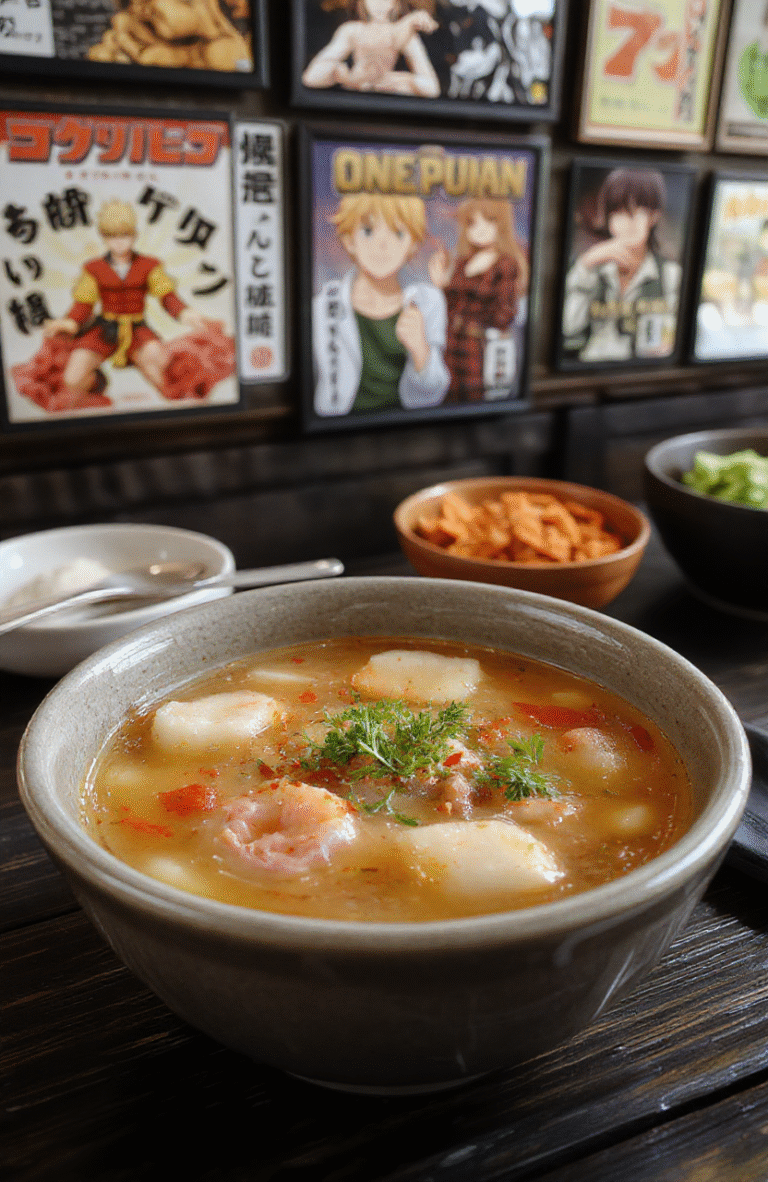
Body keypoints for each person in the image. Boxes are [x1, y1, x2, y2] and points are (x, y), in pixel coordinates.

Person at [42, 199, 210, 409]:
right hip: (104, 329)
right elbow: (83, 305)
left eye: (125, 235)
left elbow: (168, 298)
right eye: (113, 236)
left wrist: (185, 314)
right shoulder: (94, 268)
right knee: (72, 379)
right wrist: (70, 323)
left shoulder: (149, 265)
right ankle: (97, 385)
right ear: (104, 238)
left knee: (164, 371)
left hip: (137, 329)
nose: (119, 242)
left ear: (134, 235)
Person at [313, 192, 449, 417]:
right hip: (338, 430)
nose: (382, 246)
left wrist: (421, 350)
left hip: (408, 427)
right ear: (349, 241)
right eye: (368, 231)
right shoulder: (323, 306)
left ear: (413, 245)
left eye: (398, 233)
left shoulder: (428, 301)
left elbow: (435, 393)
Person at [561, 168, 682, 363]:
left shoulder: (670, 274)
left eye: (634, 214)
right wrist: (586, 264)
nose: (625, 224)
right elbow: (568, 328)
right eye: (617, 214)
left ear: (653, 217)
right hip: (589, 369)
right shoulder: (590, 267)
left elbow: (673, 337)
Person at [428, 197, 527, 401]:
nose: (480, 229)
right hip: (452, 343)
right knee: (447, 396)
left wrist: (479, 323)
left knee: (476, 398)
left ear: (501, 224)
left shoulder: (505, 264)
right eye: (472, 223)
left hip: (481, 347)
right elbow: (449, 307)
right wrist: (441, 286)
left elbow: (504, 315)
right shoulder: (463, 262)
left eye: (489, 220)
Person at [301, 0, 439, 96]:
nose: (379, 4)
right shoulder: (352, 30)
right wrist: (344, 77)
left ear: (395, 3)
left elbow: (432, 88)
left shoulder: (405, 34)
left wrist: (400, 80)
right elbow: (311, 78)